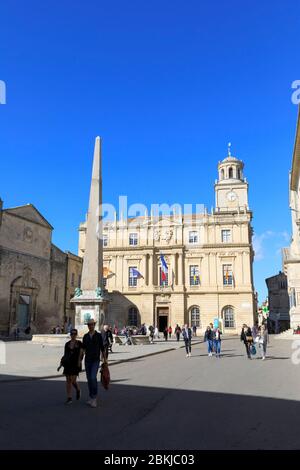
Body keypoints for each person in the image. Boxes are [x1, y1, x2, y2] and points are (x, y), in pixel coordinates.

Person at [82, 319, 106, 408]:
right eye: (89, 325)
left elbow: (102, 348)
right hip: (87, 360)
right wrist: (79, 360)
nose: (90, 326)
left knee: (93, 377)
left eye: (92, 324)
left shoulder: (98, 336)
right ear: (88, 326)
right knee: (89, 379)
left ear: (94, 325)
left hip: (95, 360)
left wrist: (104, 360)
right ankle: (91, 397)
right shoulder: (85, 336)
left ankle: (94, 397)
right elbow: (83, 349)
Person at [60, 329, 83, 405]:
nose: (73, 335)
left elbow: (82, 352)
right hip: (68, 364)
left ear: (76, 335)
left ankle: (78, 389)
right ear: (70, 335)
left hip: (75, 364)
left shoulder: (79, 343)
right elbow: (65, 355)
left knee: (73, 380)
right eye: (72, 334)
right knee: (68, 380)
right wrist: (61, 363)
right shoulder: (67, 344)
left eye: (74, 334)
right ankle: (69, 398)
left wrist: (80, 361)